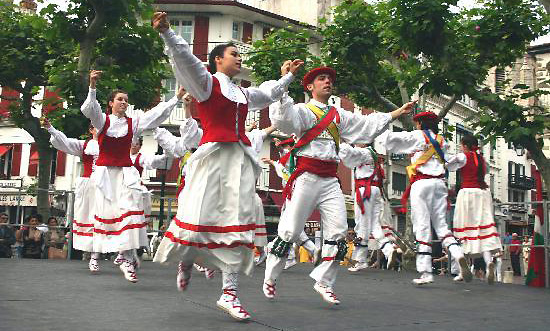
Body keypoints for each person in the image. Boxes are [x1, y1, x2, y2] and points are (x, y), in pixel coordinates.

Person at [263, 65, 414, 305]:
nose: (327, 82)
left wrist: (395, 113)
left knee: (339, 232)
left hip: (330, 180)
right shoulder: (302, 110)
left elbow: (365, 126)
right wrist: (284, 81)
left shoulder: (339, 115)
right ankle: (270, 276)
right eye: (321, 79)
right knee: (291, 231)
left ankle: (324, 282)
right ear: (310, 87)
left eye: (329, 79)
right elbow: (283, 120)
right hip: (306, 177)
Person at [81, 69, 182, 283]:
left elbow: (156, 115)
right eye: (119, 99)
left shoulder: (132, 123)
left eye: (126, 100)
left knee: (131, 212)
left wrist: (176, 98)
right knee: (108, 217)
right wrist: (92, 85)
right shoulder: (103, 121)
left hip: (126, 174)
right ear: (111, 103)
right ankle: (97, 256)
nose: (124, 103)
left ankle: (126, 258)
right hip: (106, 175)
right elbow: (90, 109)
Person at [385, 111, 472, 285]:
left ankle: (426, 272)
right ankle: (457, 254)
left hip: (421, 184)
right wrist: (461, 158)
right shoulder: (442, 141)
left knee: (422, 226)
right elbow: (451, 163)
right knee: (441, 226)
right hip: (440, 185)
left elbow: (391, 141)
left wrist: (381, 134)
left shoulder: (417, 136)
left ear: (420, 124)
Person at [43, 119, 100, 270]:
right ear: (91, 130)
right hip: (90, 184)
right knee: (89, 217)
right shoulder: (85, 145)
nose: (99, 130)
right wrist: (51, 129)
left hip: (106, 185)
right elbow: (65, 142)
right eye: (96, 127)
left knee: (107, 218)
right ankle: (91, 254)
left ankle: (121, 253)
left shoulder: (111, 145)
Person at [450, 134, 502, 284]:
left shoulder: (463, 156)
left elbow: (449, 165)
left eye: (461, 145)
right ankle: (488, 263)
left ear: (465, 145)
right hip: (482, 194)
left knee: (464, 231)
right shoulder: (482, 159)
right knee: (483, 232)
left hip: (467, 193)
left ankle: (462, 271)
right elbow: (485, 172)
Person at [338, 142, 397, 272]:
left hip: (365, 191)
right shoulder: (374, 155)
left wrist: (342, 143)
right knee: (374, 225)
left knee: (361, 225)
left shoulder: (364, 152)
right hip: (375, 191)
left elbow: (348, 155)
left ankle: (360, 260)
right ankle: (388, 249)